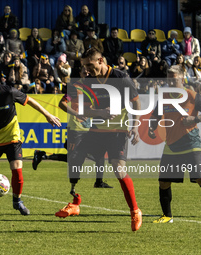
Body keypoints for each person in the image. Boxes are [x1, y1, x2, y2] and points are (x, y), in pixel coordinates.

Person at [54, 48, 142, 232]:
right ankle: (75, 203)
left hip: (117, 131)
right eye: (84, 66)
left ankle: (135, 210)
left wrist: (135, 126)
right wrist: (96, 112)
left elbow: (136, 101)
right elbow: (65, 104)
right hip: (94, 130)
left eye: (89, 65)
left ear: (100, 60)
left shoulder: (120, 77)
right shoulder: (87, 81)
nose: (86, 69)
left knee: (118, 169)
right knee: (75, 159)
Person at [0, 65, 61, 216]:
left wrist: (47, 115)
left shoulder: (9, 92)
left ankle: (17, 201)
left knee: (17, 169)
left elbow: (30, 101)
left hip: (12, 138)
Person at [148, 65, 201, 223]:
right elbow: (155, 116)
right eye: (169, 77)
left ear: (182, 77)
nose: (171, 81)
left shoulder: (191, 95)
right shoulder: (164, 97)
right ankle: (167, 216)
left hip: (191, 142)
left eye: (174, 78)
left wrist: (195, 119)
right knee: (164, 181)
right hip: (171, 145)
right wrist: (152, 128)